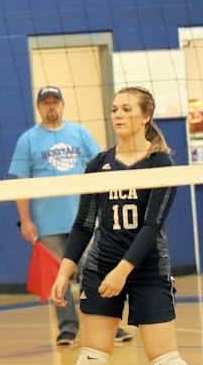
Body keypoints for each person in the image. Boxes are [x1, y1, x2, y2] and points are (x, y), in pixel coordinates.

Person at [51, 87, 203, 365]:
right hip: (100, 266)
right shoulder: (98, 164)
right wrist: (64, 271)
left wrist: (123, 271)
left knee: (165, 360)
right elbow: (84, 223)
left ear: (146, 116)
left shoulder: (160, 164)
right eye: (114, 108)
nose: (117, 114)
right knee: (92, 359)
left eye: (126, 109)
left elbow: (152, 226)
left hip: (146, 269)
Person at [9, 86, 133, 346]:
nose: (51, 106)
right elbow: (20, 182)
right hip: (48, 223)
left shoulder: (80, 133)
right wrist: (26, 220)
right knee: (58, 277)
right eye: (46, 103)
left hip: (84, 218)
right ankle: (67, 327)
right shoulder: (28, 140)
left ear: (62, 105)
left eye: (55, 102)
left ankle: (108, 323)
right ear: (39, 107)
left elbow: (100, 167)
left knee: (95, 270)